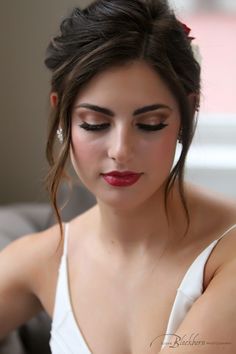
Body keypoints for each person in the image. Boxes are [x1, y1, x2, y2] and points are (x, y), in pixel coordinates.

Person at [0, 0, 236, 353]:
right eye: (95, 124)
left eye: (149, 124)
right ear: (61, 113)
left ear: (188, 111)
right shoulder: (39, 260)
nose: (120, 150)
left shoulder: (227, 253)